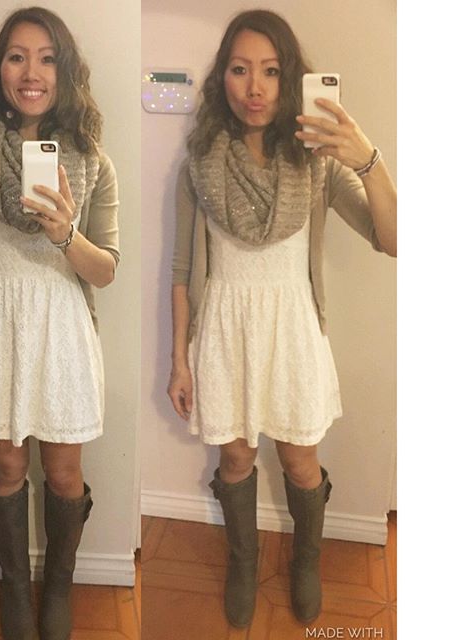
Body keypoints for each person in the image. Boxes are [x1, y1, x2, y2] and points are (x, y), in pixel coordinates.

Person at [167, 9, 396, 629]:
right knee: (236, 462)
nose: (255, 87)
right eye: (240, 70)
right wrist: (178, 359)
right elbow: (183, 270)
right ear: (222, 78)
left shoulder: (317, 161)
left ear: (290, 78)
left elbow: (395, 239)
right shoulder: (200, 164)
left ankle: (306, 560)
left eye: (270, 71)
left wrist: (367, 159)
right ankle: (244, 562)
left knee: (299, 461)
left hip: (293, 330)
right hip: (224, 333)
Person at [0, 7, 119, 640]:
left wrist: (65, 233)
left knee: (64, 474)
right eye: (17, 57)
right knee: (9, 470)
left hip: (62, 327)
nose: (31, 72)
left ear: (65, 72)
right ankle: (16, 588)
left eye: (46, 59)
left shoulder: (92, 161)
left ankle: (58, 588)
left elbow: (105, 270)